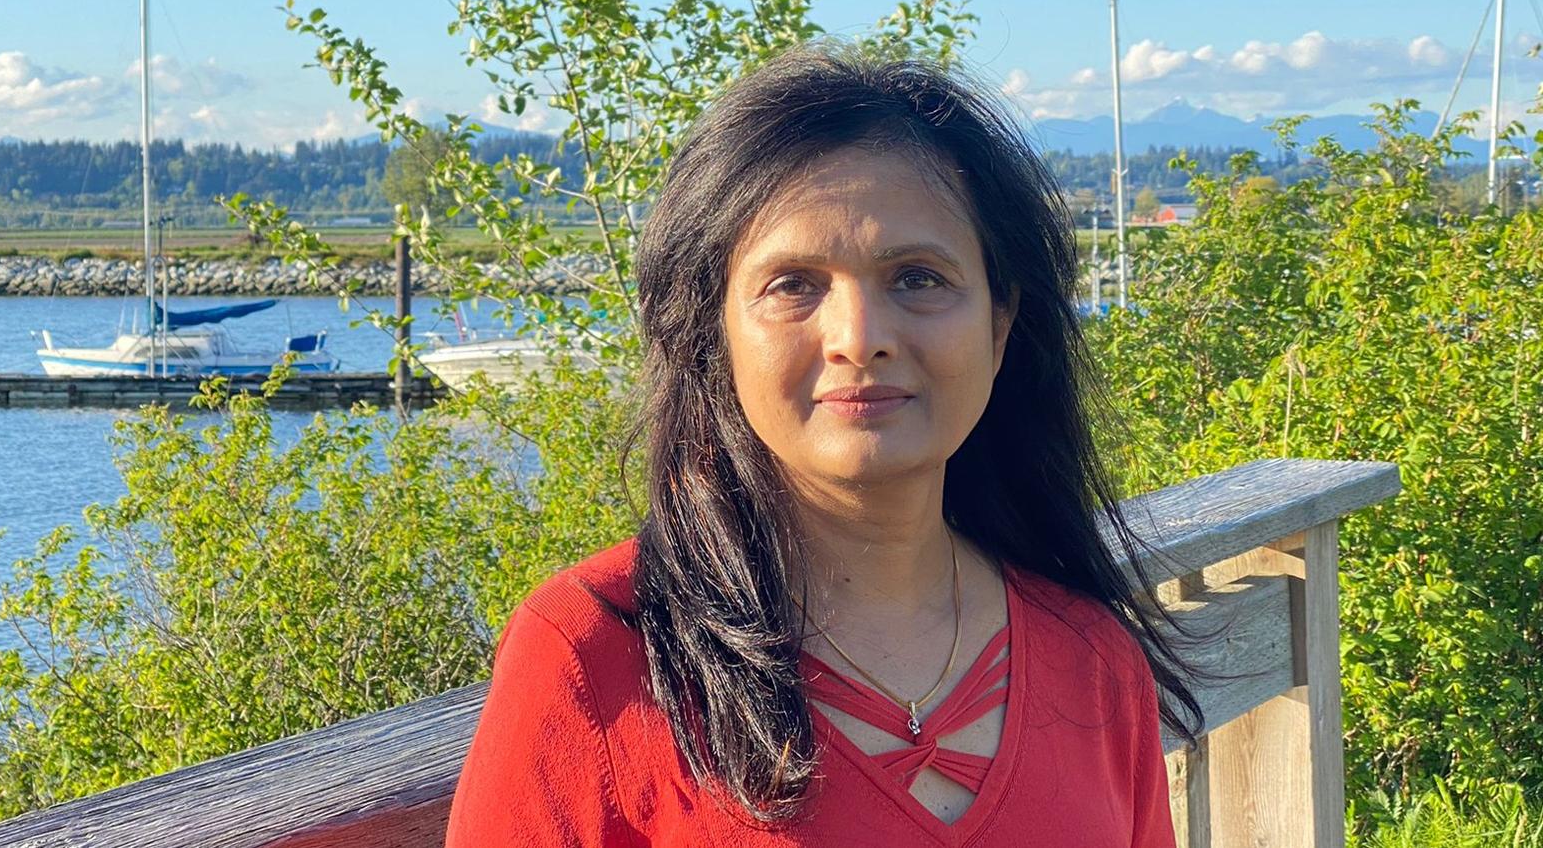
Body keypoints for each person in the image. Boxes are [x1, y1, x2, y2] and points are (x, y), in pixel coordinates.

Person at [444, 42, 1202, 847]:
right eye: (793, 285)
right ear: (715, 331)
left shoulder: (1093, 661)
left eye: (917, 277)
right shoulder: (598, 655)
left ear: (1001, 322)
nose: (859, 337)